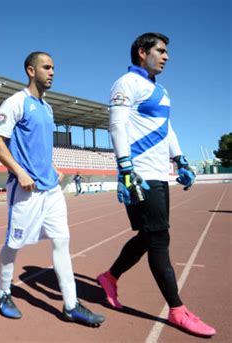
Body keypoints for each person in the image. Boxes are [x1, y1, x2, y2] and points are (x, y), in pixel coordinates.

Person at [97, 32, 215, 337]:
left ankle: (109, 277)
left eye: (166, 52)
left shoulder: (160, 89)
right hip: (140, 174)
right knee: (159, 239)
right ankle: (177, 309)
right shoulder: (126, 84)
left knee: (150, 236)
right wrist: (125, 168)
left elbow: (168, 127)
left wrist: (181, 159)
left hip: (159, 174)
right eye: (160, 51)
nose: (166, 56)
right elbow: (117, 124)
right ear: (141, 52)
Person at [0, 52, 104, 326]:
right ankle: (3, 292)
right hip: (25, 190)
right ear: (31, 70)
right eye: (47, 67)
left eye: (54, 67)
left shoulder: (48, 107)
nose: (52, 72)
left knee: (61, 241)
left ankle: (71, 305)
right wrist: (19, 171)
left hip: (51, 189)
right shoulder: (16, 102)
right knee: (13, 244)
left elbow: (38, 145)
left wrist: (51, 166)